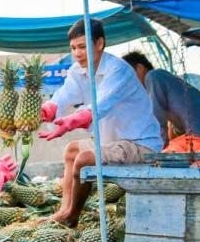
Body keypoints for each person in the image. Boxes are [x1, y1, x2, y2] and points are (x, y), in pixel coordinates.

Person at [38, 19, 162, 226]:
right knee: (71, 151)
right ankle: (63, 210)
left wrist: (70, 121)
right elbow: (65, 94)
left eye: (82, 46)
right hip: (111, 141)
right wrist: (50, 108)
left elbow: (99, 105)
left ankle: (72, 215)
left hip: (139, 143)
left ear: (99, 44)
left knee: (85, 158)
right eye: (73, 48)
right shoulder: (77, 71)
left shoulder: (118, 70)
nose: (77, 53)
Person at [121, 51, 200, 152]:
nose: (127, 82)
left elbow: (157, 122)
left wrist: (156, 152)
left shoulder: (153, 76)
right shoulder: (162, 79)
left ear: (140, 68)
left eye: (128, 75)